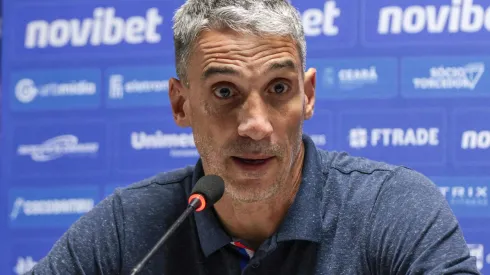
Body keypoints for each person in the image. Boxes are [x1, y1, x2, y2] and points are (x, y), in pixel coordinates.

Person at [28, 0, 479, 274]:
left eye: (278, 89)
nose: (256, 125)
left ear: (308, 95)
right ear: (180, 103)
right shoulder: (129, 228)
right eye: (225, 92)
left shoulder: (393, 207)